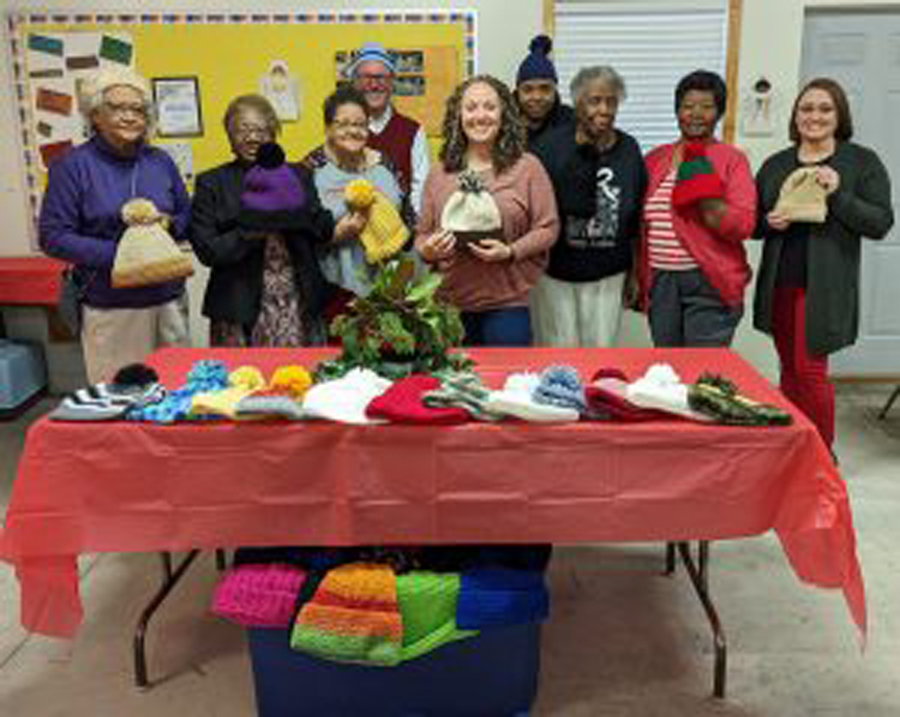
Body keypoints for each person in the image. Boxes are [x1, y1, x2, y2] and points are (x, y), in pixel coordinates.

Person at [753, 77, 893, 448]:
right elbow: (752, 221)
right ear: (796, 115)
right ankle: (792, 447)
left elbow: (880, 223)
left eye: (825, 108)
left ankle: (820, 454)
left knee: (811, 373)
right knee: (789, 372)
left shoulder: (861, 162)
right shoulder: (775, 164)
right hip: (781, 283)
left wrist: (839, 194)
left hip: (826, 290)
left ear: (839, 115)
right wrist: (766, 222)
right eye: (807, 108)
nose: (815, 116)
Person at [39, 66, 190, 383]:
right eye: (117, 107)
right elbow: (53, 237)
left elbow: (186, 217)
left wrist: (167, 223)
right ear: (95, 115)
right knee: (121, 399)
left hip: (168, 297)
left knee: (177, 391)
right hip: (111, 306)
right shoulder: (72, 166)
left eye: (138, 109)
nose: (130, 116)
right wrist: (123, 255)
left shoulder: (159, 161)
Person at [416, 75, 558, 347]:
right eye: (471, 108)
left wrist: (511, 251)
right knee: (451, 388)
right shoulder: (439, 174)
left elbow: (548, 228)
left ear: (504, 114)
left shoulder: (527, 168)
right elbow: (422, 235)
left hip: (508, 307)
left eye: (489, 107)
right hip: (448, 308)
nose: (480, 116)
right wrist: (428, 250)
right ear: (458, 116)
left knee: (506, 387)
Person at [189, 94, 334, 347]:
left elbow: (322, 230)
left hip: (296, 299)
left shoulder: (298, 175)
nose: (252, 137)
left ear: (273, 134)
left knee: (301, 379)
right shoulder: (212, 182)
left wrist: (297, 217)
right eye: (242, 129)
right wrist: (253, 228)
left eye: (260, 129)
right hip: (238, 304)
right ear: (229, 136)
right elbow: (208, 250)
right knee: (242, 380)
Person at [638, 70, 756, 347]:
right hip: (661, 281)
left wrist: (707, 200)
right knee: (668, 369)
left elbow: (744, 225)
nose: (696, 114)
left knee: (703, 373)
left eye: (706, 107)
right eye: (688, 106)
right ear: (677, 111)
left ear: (719, 113)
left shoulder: (731, 160)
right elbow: (639, 225)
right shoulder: (656, 158)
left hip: (708, 281)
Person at [531, 66, 646, 347]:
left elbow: (635, 218)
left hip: (609, 274)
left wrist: (635, 272)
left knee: (602, 351)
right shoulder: (549, 148)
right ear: (577, 103)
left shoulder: (629, 149)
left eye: (611, 101)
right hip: (557, 274)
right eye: (595, 101)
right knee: (559, 352)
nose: (604, 109)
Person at [302, 86, 409, 302]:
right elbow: (298, 239)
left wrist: (401, 289)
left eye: (360, 124)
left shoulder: (385, 167)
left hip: (388, 290)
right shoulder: (309, 172)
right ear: (327, 128)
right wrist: (335, 236)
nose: (353, 131)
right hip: (332, 291)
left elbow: (409, 228)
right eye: (342, 124)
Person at [348, 42, 430, 215]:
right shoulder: (343, 129)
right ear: (354, 83)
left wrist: (412, 226)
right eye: (366, 78)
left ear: (392, 83)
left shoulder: (413, 131)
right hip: (351, 229)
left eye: (381, 77)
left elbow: (420, 188)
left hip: (402, 231)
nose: (374, 85)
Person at [514, 35, 575, 150]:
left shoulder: (572, 123)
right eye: (528, 89)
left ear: (555, 90)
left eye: (545, 88)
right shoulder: (502, 124)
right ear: (518, 92)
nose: (537, 97)